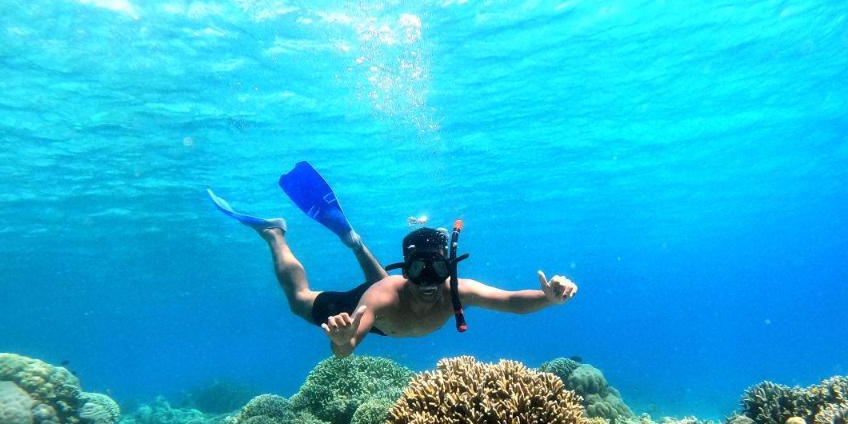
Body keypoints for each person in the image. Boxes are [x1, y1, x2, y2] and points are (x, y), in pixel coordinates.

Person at [208, 164, 577, 357]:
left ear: (450, 266)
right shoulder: (381, 297)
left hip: (388, 294)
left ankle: (354, 242)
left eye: (438, 269)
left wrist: (548, 298)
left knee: (383, 283)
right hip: (370, 303)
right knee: (299, 301)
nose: (431, 281)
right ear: (407, 270)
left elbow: (512, 302)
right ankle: (274, 233)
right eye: (419, 270)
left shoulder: (456, 291)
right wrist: (339, 339)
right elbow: (347, 348)